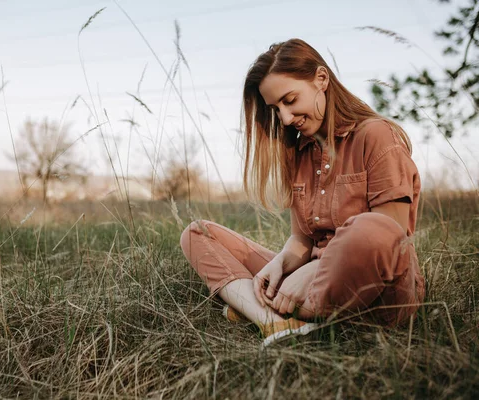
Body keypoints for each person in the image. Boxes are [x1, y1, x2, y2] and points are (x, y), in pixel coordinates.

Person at [180, 38, 425, 346]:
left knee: (369, 228)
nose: (284, 118)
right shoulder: (300, 151)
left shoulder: (375, 135)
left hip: (378, 292)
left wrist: (315, 271)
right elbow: (303, 240)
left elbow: (391, 235)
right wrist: (281, 263)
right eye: (276, 108)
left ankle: (258, 307)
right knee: (198, 233)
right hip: (312, 278)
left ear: (321, 79)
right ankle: (272, 321)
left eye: (290, 100)